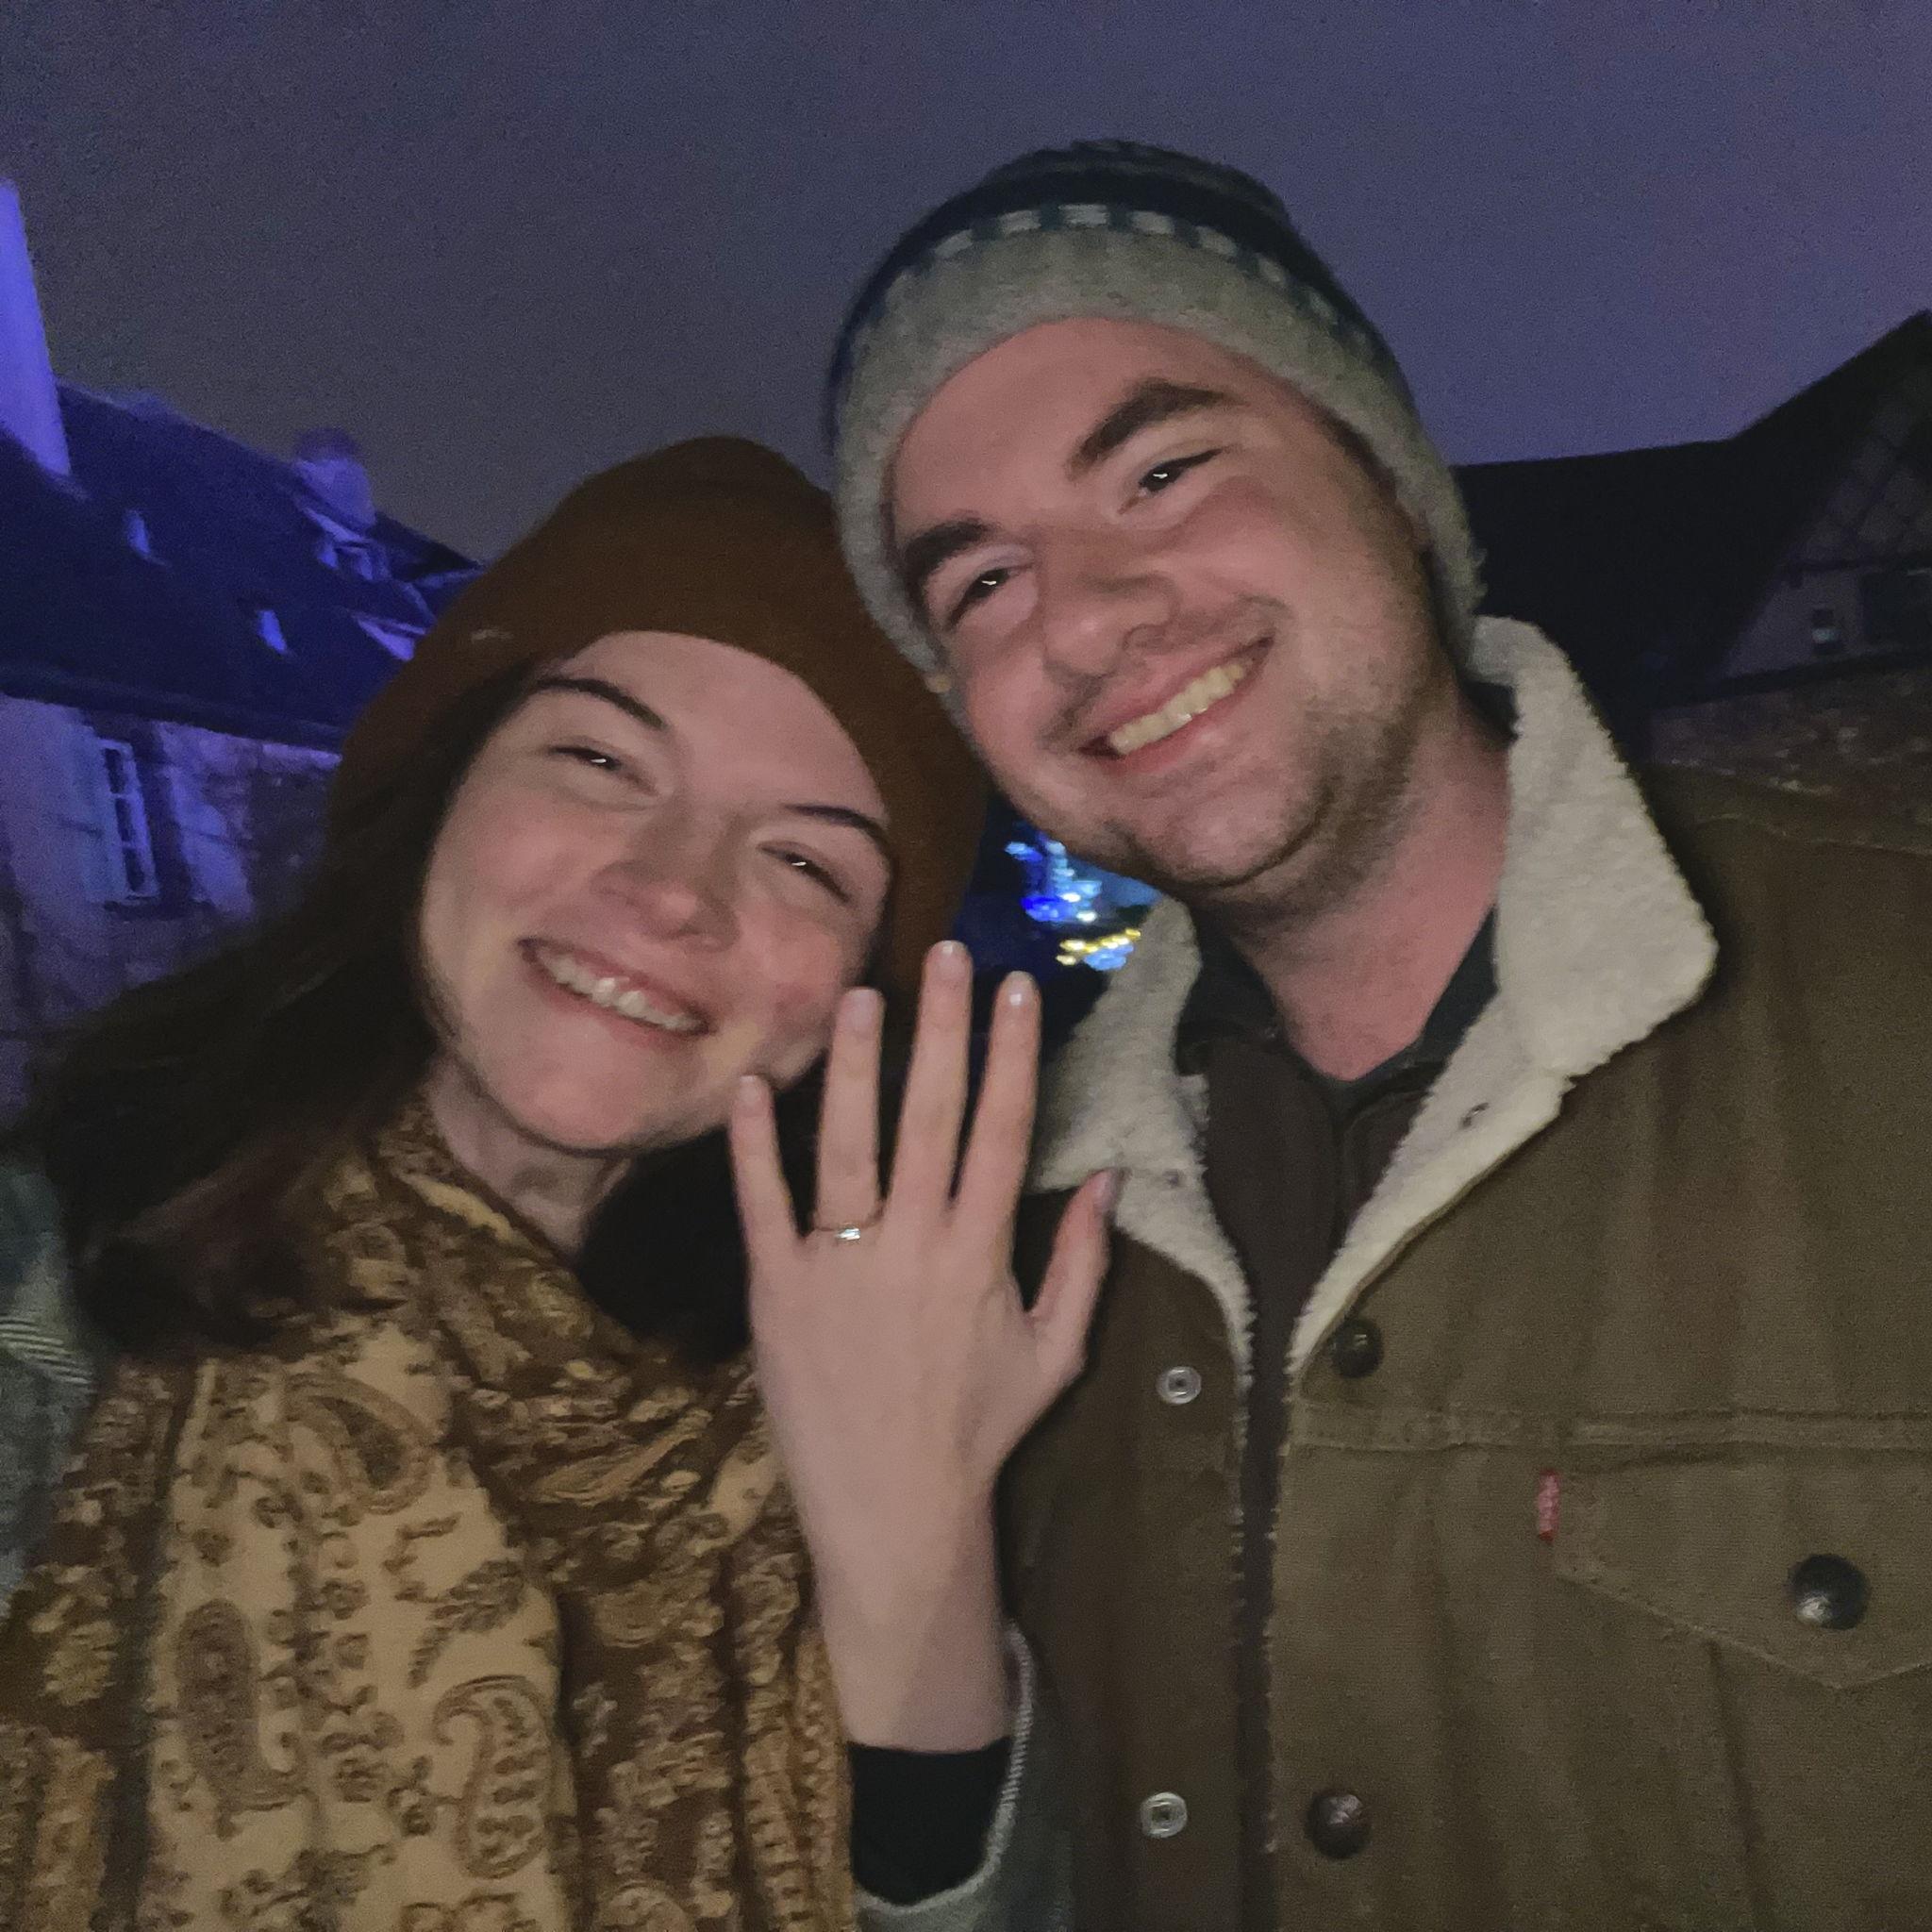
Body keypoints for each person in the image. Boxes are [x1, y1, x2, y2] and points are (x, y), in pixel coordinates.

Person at [818, 141, 1932, 1928]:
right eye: (984, 586)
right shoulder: (995, 1245)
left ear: (1394, 488)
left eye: (1163, 472)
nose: (1086, 618)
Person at [0, 438, 1102, 1930]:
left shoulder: (895, 1368)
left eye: (807, 863)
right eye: (601, 762)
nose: (674, 889)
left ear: (856, 995)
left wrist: (921, 1549)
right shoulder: (48, 1288)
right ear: (440, 786)